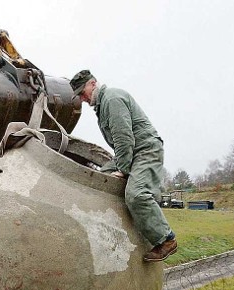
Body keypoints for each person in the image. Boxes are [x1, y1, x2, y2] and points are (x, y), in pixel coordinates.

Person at [70, 70, 177, 262]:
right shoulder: (102, 106)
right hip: (132, 152)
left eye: (82, 91)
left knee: (136, 195)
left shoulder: (112, 99)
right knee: (100, 177)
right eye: (78, 94)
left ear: (93, 83)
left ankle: (166, 239)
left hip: (145, 150)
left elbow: (123, 139)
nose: (82, 98)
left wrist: (123, 169)